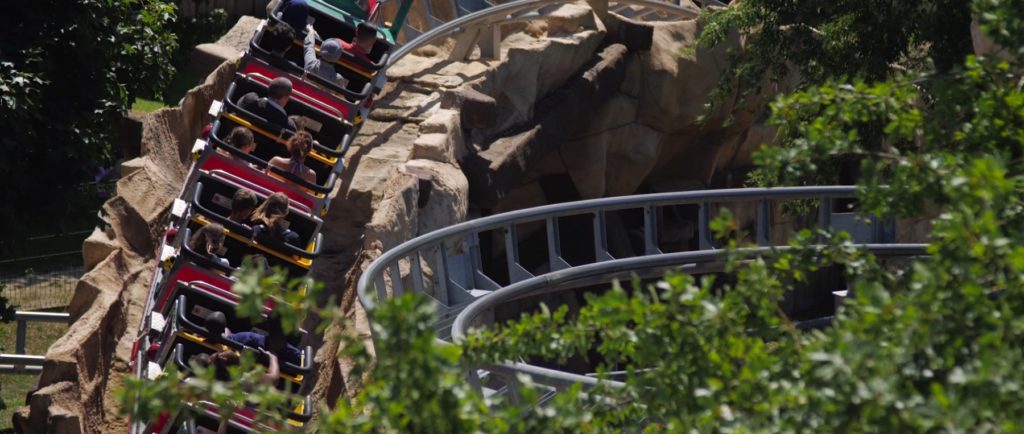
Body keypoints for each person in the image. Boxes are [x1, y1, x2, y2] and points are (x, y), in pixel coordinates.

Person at [227, 319, 302, 366]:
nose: (276, 342)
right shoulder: (250, 339)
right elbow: (228, 339)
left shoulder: (296, 358)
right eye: (275, 334)